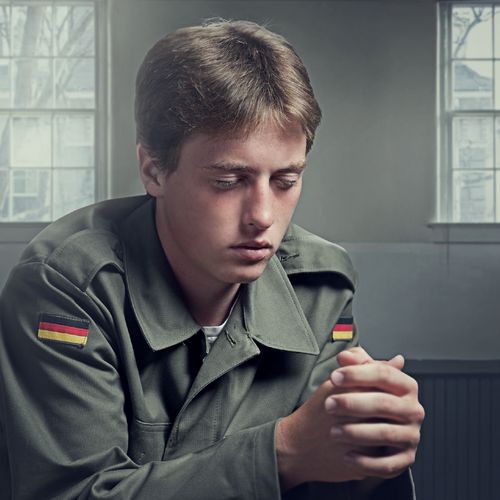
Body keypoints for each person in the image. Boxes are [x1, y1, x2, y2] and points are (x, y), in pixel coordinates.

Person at [0, 20, 424, 499]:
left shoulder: (322, 287)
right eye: (228, 181)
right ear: (153, 169)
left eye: (285, 181)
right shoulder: (66, 287)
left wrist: (370, 450)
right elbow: (71, 494)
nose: (262, 216)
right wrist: (281, 454)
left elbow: (330, 483)